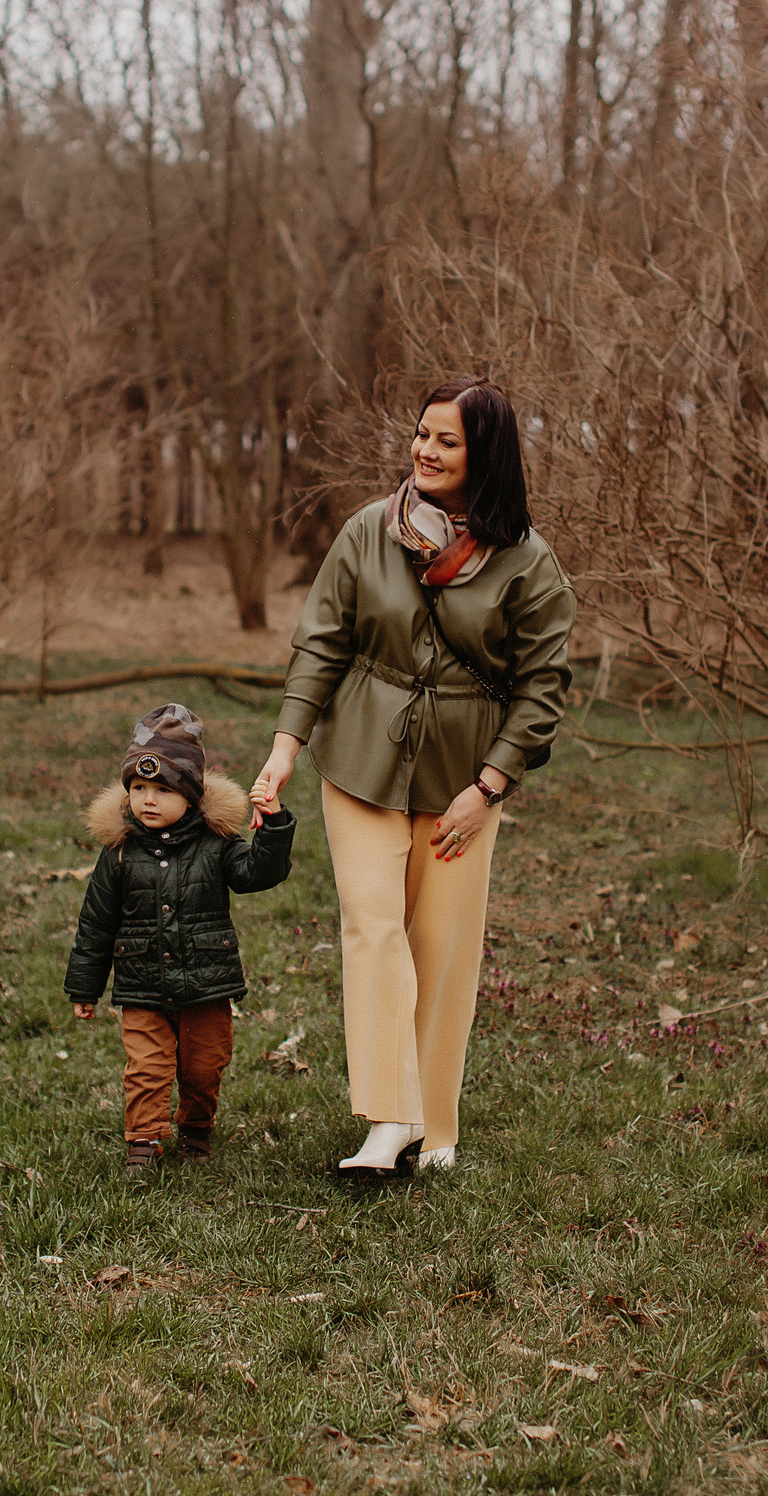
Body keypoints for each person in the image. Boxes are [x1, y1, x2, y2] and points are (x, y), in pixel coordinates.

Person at [250, 377, 575, 1178]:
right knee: (372, 925)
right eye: (421, 435)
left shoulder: (528, 562)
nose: (425, 451)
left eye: (447, 440)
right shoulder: (368, 532)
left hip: (465, 780)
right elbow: (320, 643)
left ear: (485, 453)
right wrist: (286, 748)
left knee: (443, 945)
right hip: (359, 760)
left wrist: (489, 786)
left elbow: (543, 688)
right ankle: (389, 1117)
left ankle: (437, 1125)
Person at [66, 703, 296, 1183]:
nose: (147, 800)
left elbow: (259, 875)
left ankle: (196, 1128)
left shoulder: (217, 845)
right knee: (146, 1069)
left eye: (162, 790)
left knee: (203, 1068)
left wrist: (273, 827)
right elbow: (95, 923)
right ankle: (143, 1143)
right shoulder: (119, 853)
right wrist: (84, 988)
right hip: (141, 985)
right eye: (138, 788)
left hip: (207, 985)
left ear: (191, 795)